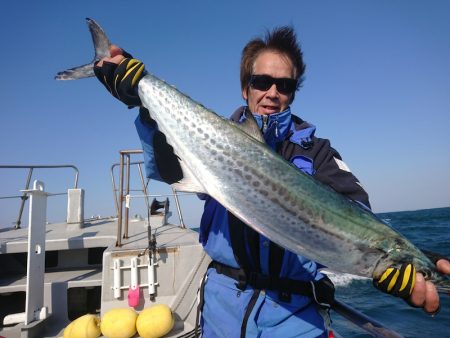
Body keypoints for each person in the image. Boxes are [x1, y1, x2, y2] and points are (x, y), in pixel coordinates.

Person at [94, 26, 450, 337]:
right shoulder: (215, 135)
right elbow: (171, 168)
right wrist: (140, 98)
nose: (272, 92)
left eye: (285, 85)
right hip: (223, 306)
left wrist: (405, 260)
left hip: (294, 317)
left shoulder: (318, 152)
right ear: (245, 88)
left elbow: (354, 214)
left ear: (293, 92)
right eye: (261, 82)